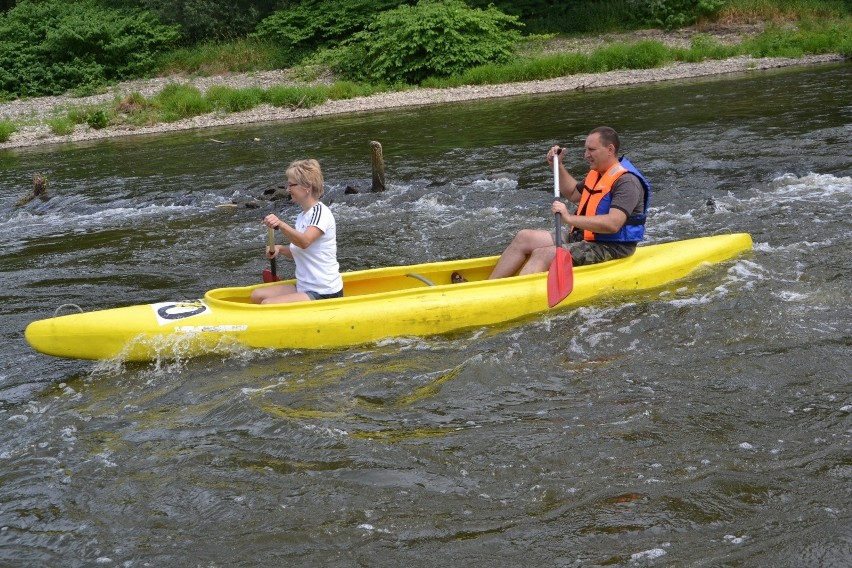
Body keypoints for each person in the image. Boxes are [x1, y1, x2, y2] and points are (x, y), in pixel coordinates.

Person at [488, 126, 651, 279]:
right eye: (586, 149)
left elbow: (613, 224)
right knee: (524, 237)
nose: (586, 155)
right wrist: (557, 166)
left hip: (612, 246)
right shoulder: (598, 174)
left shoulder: (627, 182)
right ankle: (489, 288)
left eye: (591, 150)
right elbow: (573, 193)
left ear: (610, 149)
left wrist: (569, 218)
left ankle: (514, 297)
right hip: (584, 238)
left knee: (543, 254)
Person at [250, 159, 343, 304]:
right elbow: (302, 250)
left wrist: (280, 224)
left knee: (267, 304)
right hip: (304, 287)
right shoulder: (302, 216)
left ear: (307, 187)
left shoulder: (321, 213)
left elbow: (305, 242)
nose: (287, 189)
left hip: (324, 291)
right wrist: (280, 249)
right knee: (257, 295)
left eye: (291, 185)